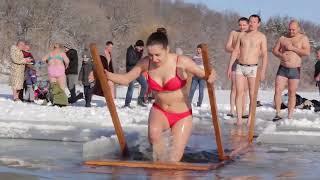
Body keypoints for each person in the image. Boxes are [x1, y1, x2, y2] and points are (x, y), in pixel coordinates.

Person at [102, 31, 216, 162]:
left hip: (182, 115)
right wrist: (107, 75)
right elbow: (126, 78)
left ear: (167, 49)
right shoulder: (146, 63)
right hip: (160, 110)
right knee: (155, 142)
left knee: (173, 160)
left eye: (157, 55)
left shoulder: (181, 61)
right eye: (150, 55)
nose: (154, 59)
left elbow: (205, 73)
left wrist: (212, 73)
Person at [229, 14, 268, 127]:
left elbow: (265, 54)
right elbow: (235, 51)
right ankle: (239, 118)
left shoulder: (261, 37)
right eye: (250, 21)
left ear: (258, 24)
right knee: (239, 92)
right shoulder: (242, 35)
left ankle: (250, 117)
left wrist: (264, 70)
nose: (251, 23)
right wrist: (230, 66)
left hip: (253, 67)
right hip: (240, 66)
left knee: (252, 94)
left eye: (254, 22)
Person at [272, 20, 310, 121]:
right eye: (289, 29)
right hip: (283, 68)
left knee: (292, 93)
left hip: (295, 69)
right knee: (278, 90)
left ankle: (290, 115)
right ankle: (278, 113)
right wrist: (281, 55)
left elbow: (307, 52)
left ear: (298, 28)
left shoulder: (303, 38)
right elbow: (274, 50)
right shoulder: (283, 38)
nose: (291, 31)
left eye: (293, 30)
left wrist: (293, 48)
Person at [225, 17, 249, 117]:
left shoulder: (250, 34)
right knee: (235, 87)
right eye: (240, 25)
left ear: (248, 25)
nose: (242, 27)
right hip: (235, 62)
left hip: (247, 63)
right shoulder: (234, 33)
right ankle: (232, 110)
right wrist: (235, 50)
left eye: (244, 25)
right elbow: (227, 47)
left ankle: (243, 111)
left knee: (245, 89)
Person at [124, 40, 148, 107]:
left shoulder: (139, 51)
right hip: (131, 71)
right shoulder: (130, 50)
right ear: (137, 46)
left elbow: (139, 60)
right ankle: (127, 104)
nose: (141, 49)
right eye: (140, 47)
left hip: (137, 71)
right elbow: (130, 61)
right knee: (131, 87)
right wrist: (140, 61)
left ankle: (140, 100)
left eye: (142, 48)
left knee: (145, 85)